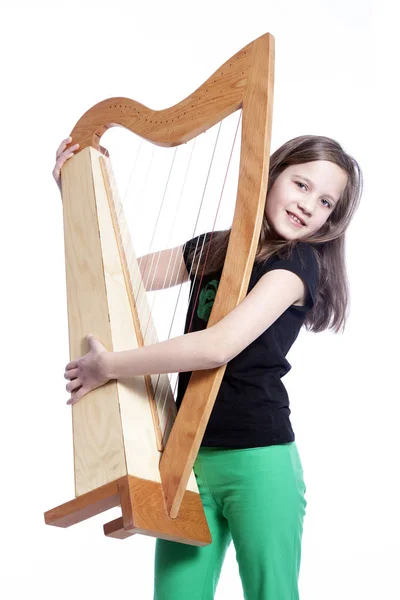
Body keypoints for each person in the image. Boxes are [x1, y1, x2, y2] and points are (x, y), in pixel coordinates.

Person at [53, 134, 362, 599]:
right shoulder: (215, 248)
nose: (307, 205)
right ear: (272, 172)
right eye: (300, 184)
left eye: (324, 202)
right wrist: (71, 191)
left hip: (259, 463)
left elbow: (217, 347)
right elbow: (111, 274)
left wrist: (111, 366)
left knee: (272, 593)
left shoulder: (297, 265)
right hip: (187, 460)